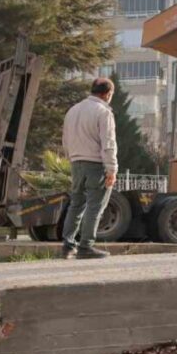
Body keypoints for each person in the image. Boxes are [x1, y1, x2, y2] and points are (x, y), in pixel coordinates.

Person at [60, 78, 118, 259]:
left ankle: (68, 246)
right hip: (96, 164)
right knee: (95, 206)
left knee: (76, 205)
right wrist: (112, 169)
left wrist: (72, 158)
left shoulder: (72, 110)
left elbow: (65, 140)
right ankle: (86, 246)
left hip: (76, 163)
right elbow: (108, 143)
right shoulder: (104, 112)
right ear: (108, 94)